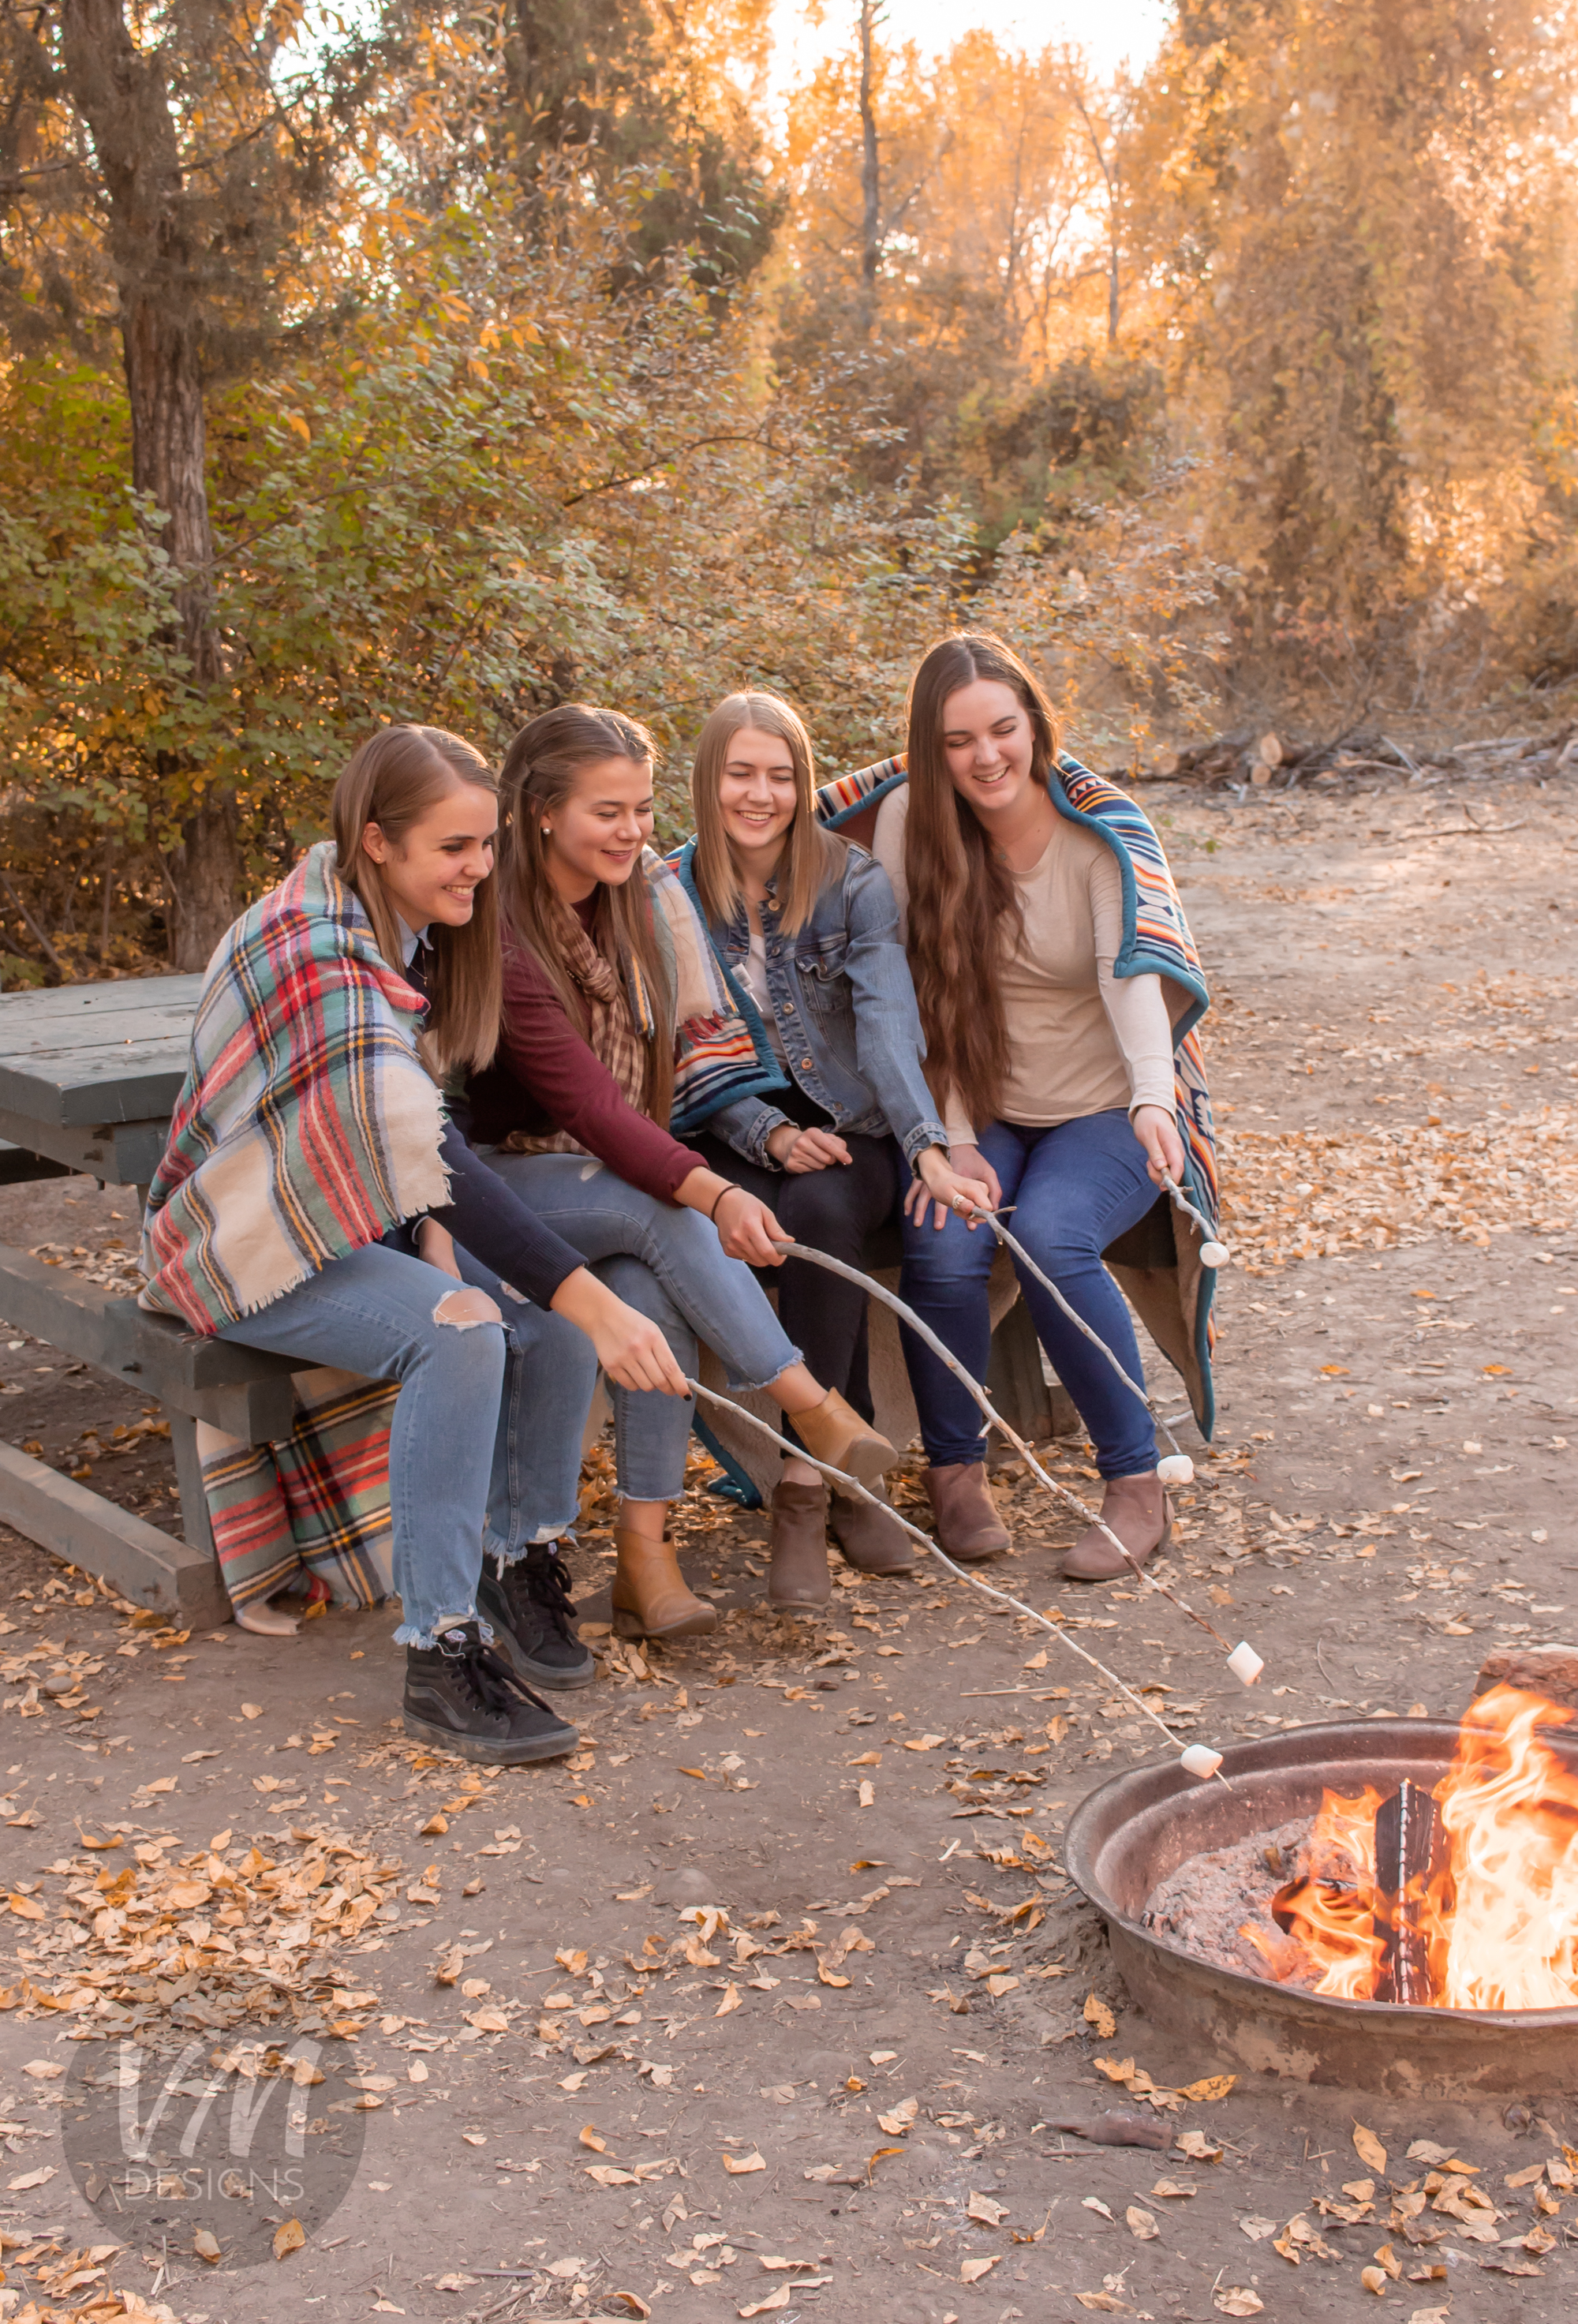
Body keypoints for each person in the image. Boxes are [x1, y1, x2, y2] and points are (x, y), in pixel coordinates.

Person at [140, 724, 690, 1761]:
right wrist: (574, 1290)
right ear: (378, 839)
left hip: (351, 1214)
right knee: (465, 1330)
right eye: (455, 847)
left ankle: (517, 1552)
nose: (481, 868)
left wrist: (435, 1228)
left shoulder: (386, 923)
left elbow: (400, 1129)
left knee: (542, 1311)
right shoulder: (316, 956)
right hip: (245, 1238)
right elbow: (423, 1139)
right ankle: (441, 1650)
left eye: (486, 845)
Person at [465, 704, 900, 1630]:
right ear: (542, 811)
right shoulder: (497, 924)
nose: (631, 832)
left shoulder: (641, 894)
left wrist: (748, 1147)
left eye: (639, 809)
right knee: (664, 1219)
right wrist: (716, 1189)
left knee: (645, 1296)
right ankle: (810, 1407)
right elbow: (586, 1103)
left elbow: (696, 1047)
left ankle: (643, 1562)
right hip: (485, 1178)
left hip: (591, 1172)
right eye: (606, 813)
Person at [871, 632, 1218, 1574]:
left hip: (1104, 1105)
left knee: (1056, 1239)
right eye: (955, 741)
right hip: (980, 1099)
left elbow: (1131, 977)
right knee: (942, 1240)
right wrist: (944, 1138)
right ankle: (955, 1473)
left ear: (1033, 726)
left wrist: (1154, 1100)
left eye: (1001, 730)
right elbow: (913, 994)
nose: (984, 757)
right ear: (927, 750)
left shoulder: (1094, 836)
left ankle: (1134, 1484)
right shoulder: (913, 823)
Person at [676, 688, 993, 1596]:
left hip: (854, 1124)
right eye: (740, 774)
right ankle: (853, 1485)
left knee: (821, 1208)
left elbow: (888, 1024)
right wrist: (766, 1133)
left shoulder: (850, 882)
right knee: (781, 1208)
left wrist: (926, 1143)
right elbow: (681, 1047)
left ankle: (807, 1486)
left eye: (779, 776)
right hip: (731, 1126)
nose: (760, 795)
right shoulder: (668, 893)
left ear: (801, 783)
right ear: (708, 781)